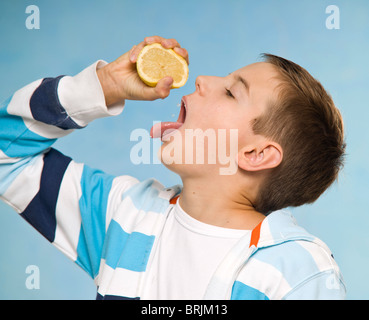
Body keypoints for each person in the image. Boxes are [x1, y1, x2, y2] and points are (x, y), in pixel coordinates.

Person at [0, 36, 346, 299]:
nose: (202, 79)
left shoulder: (299, 273)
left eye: (230, 92)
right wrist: (101, 86)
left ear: (255, 154)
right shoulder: (125, 215)